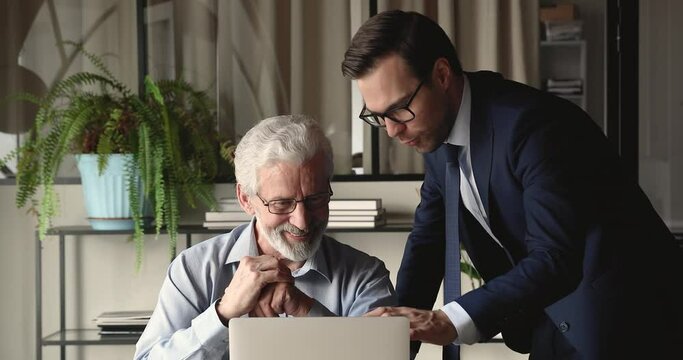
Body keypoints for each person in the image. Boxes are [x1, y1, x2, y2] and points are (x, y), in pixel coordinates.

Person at [342, 9, 683, 360]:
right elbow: (428, 243)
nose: (393, 131)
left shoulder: (533, 126)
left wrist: (448, 320)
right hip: (552, 320)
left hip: (626, 323)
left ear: (442, 75)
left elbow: (555, 255)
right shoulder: (433, 133)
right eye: (378, 117)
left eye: (399, 109)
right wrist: (394, 344)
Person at [134, 114, 397, 359]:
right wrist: (222, 314)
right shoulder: (193, 269)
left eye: (315, 199)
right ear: (245, 199)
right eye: (281, 204)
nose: (302, 221)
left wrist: (307, 310)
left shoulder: (365, 275)